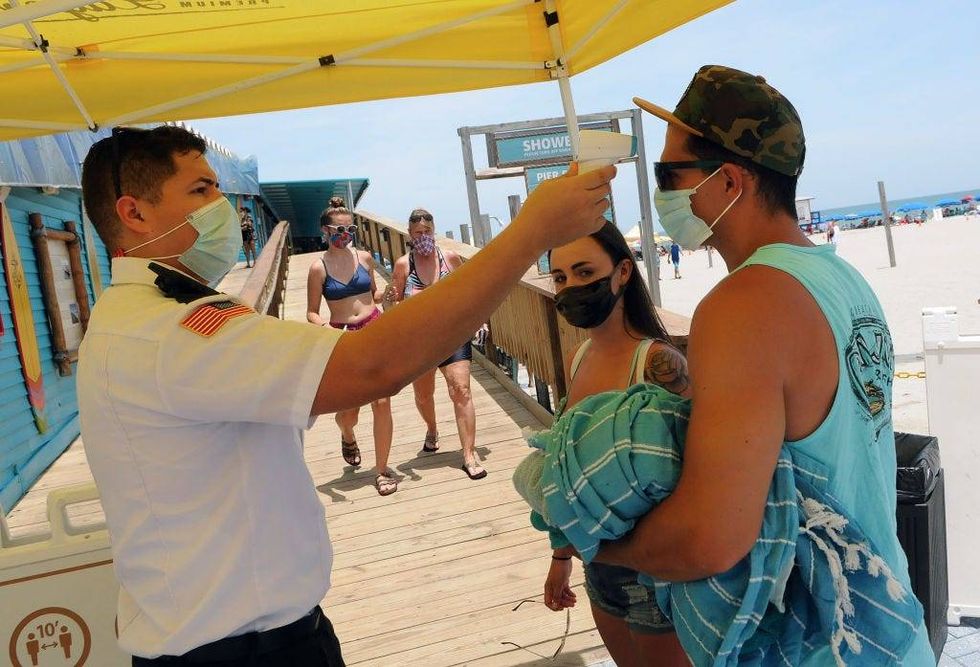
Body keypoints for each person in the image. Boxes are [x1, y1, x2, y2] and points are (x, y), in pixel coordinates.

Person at [77, 125, 615, 665]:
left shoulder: (142, 320)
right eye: (200, 191)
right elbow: (374, 365)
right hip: (240, 649)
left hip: (249, 637)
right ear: (134, 213)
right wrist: (530, 233)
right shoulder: (167, 332)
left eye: (217, 188)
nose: (221, 206)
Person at [591, 65, 934, 664]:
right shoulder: (840, 278)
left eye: (670, 174)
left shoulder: (743, 305)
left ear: (730, 182)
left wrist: (601, 542)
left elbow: (712, 538)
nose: (663, 192)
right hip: (885, 624)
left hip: (817, 645)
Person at [541, 221, 690, 667]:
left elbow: (696, 472)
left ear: (623, 272)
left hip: (657, 577)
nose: (571, 288)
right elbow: (567, 467)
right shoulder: (579, 359)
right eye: (561, 278)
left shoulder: (659, 362)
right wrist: (561, 554)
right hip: (598, 569)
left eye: (585, 273)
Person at [389, 209, 485, 480]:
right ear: (410, 234)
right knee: (423, 395)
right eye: (418, 233)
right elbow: (393, 303)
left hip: (453, 334)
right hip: (419, 341)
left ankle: (469, 454)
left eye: (427, 232)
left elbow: (469, 291)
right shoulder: (402, 265)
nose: (423, 237)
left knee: (461, 389)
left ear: (434, 231)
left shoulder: (449, 258)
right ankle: (432, 428)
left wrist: (479, 320)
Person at [306, 206, 396, 496]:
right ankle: (347, 433)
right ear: (326, 231)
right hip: (342, 338)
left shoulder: (365, 258)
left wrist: (388, 293)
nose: (346, 236)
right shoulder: (318, 268)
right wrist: (323, 325)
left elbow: (374, 294)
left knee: (382, 402)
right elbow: (311, 312)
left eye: (351, 230)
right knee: (349, 412)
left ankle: (382, 470)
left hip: (374, 330)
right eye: (340, 231)